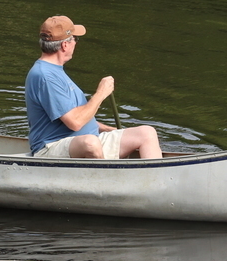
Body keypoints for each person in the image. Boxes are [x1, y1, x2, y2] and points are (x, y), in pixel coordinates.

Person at [25, 15, 162, 159]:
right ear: (65, 45)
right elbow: (76, 123)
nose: (75, 43)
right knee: (90, 143)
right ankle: (107, 177)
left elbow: (77, 116)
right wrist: (101, 93)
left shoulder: (55, 71)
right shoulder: (45, 76)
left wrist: (108, 129)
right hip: (52, 147)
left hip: (88, 141)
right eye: (74, 39)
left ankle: (156, 179)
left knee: (146, 133)